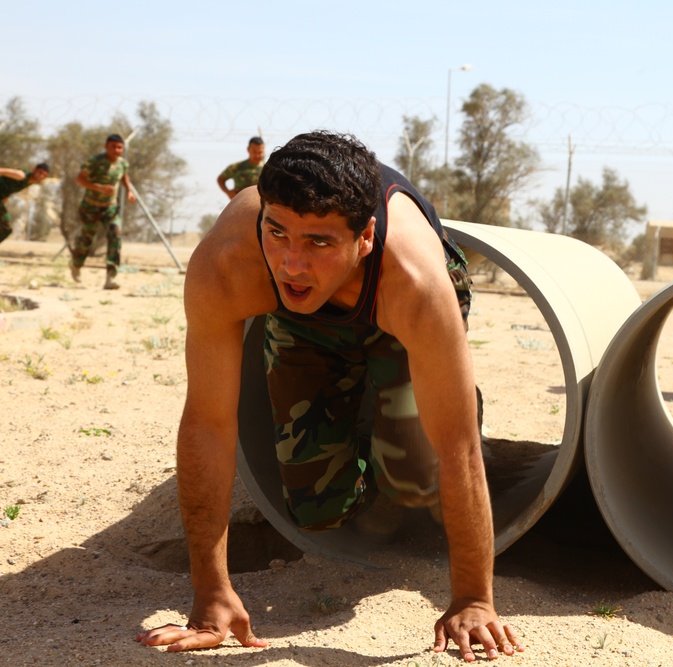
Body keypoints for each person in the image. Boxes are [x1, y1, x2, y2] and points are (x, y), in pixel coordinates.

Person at [135, 131, 524, 662]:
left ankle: (424, 400)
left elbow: (459, 446)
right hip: (306, 324)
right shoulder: (229, 265)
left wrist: (474, 599)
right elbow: (209, 422)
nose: (292, 262)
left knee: (414, 475)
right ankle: (372, 412)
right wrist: (210, 594)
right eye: (278, 233)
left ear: (363, 236)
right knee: (316, 510)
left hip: (392, 314)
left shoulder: (413, 281)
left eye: (318, 241)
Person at [70, 134, 136, 290]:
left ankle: (110, 278)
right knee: (87, 239)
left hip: (110, 208)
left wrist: (129, 191)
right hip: (90, 207)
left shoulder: (122, 164)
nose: (117, 150)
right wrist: (99, 187)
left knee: (115, 235)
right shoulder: (95, 161)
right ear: (106, 146)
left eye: (120, 147)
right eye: (113, 146)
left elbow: (124, 177)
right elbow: (80, 179)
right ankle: (76, 264)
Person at [0, 163, 49, 244]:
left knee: (6, 229)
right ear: (34, 169)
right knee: (5, 228)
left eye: (44, 175)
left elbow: (7, 188)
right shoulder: (21, 175)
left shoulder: (29, 182)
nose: (41, 176)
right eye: (40, 172)